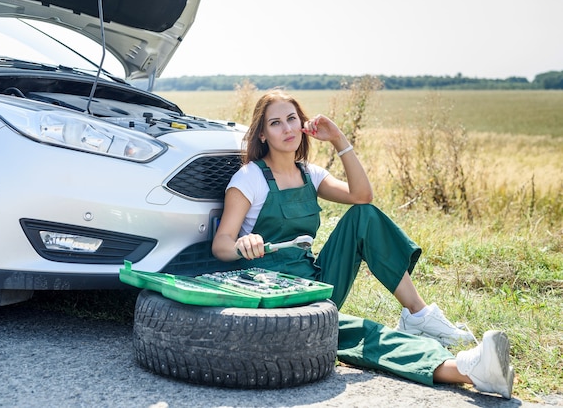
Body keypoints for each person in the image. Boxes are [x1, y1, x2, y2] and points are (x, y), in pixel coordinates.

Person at [212, 89, 514, 398]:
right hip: (273, 290)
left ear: (303, 125)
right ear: (262, 134)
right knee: (359, 332)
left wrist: (339, 139)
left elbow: (362, 196)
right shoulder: (249, 178)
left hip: (315, 281)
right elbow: (221, 244)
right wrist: (242, 244)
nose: (287, 129)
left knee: (363, 216)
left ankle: (418, 315)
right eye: (275, 123)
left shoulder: (310, 174)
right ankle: (469, 369)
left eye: (292, 119)